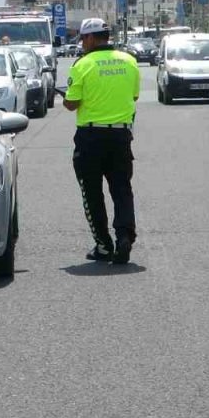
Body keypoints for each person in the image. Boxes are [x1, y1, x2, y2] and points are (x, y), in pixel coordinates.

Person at [63, 18, 141, 265]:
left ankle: (104, 245)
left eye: (83, 39)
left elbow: (71, 103)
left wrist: (67, 98)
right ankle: (124, 235)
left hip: (90, 138)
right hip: (120, 136)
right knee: (121, 189)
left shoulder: (82, 65)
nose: (82, 44)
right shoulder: (129, 61)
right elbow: (134, 95)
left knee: (92, 193)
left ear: (89, 38)